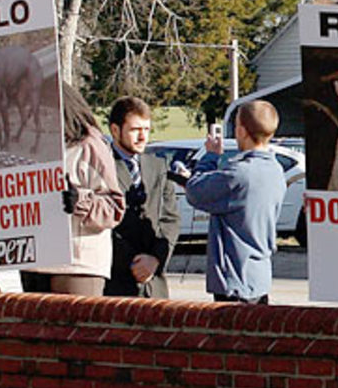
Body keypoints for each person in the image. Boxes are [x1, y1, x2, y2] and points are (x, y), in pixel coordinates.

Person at [23, 85, 126, 296]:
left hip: (77, 265)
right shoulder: (25, 146)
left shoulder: (89, 146)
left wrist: (80, 199)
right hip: (32, 260)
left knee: (75, 328)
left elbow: (114, 208)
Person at [185, 101, 286, 304]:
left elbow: (195, 191)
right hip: (259, 276)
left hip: (235, 280)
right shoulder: (276, 171)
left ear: (241, 131)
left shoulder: (239, 174)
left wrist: (210, 157)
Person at [104, 96, 180, 298]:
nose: (142, 137)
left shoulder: (158, 166)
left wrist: (156, 259)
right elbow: (103, 224)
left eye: (146, 130)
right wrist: (133, 262)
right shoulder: (102, 166)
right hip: (116, 282)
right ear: (115, 130)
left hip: (154, 285)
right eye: (135, 130)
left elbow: (170, 219)